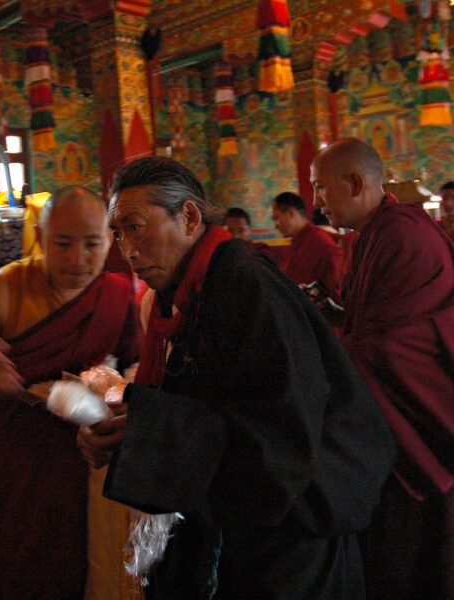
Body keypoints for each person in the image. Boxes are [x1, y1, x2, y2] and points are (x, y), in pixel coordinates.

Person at [76, 156, 395, 599]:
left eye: (135, 226)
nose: (127, 250)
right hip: (245, 529)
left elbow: (281, 436)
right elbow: (203, 401)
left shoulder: (245, 286)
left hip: (293, 538)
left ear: (188, 217)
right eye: (118, 233)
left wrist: (146, 430)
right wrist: (125, 429)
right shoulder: (192, 288)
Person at [0, 186, 142, 600]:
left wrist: (114, 391)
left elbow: (138, 367)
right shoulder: (1, 288)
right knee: (26, 571)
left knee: (90, 566)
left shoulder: (118, 293)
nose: (78, 259)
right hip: (16, 460)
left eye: (93, 244)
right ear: (42, 239)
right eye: (63, 244)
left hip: (86, 456)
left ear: (110, 241)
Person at [310, 137, 454, 599]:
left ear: (355, 183)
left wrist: (327, 352)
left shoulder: (403, 233)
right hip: (386, 414)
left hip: (415, 420)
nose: (316, 203)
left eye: (320, 189)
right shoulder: (375, 233)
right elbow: (372, 323)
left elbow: (400, 346)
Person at [272, 191, 342, 300]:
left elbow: (333, 286)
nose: (276, 225)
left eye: (276, 218)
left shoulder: (319, 240)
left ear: (291, 213)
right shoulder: (298, 240)